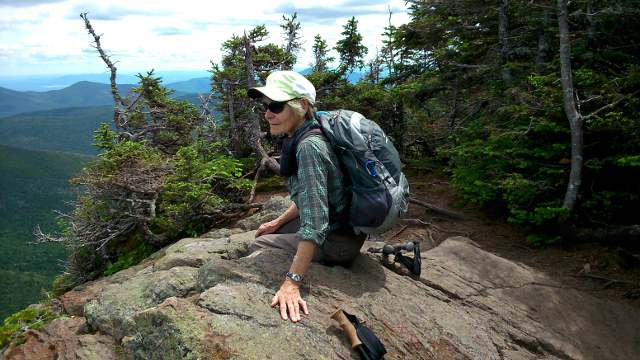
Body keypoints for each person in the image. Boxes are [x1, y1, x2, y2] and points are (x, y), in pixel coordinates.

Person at [247, 71, 366, 323]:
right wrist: (277, 223)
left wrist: (292, 283)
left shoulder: (309, 147)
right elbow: (313, 196)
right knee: (269, 233)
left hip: (338, 241)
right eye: (265, 106)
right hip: (342, 225)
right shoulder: (312, 130)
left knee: (258, 245)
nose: (267, 114)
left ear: (301, 105)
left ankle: (324, 265)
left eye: (276, 107)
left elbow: (315, 222)